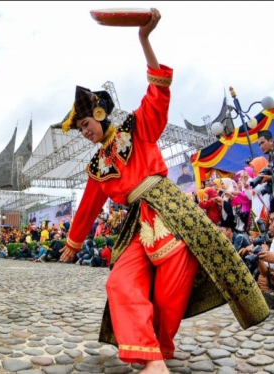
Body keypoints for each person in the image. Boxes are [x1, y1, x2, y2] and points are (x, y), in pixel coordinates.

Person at [58, 9, 267, 372]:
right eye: (79, 129)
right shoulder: (97, 167)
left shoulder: (137, 128)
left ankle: (157, 353)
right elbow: (89, 206)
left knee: (171, 291)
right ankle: (151, 358)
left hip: (172, 211)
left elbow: (157, 92)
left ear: (101, 114)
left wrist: (144, 40)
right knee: (121, 283)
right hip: (138, 223)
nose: (84, 132)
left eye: (85, 124)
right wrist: (73, 242)